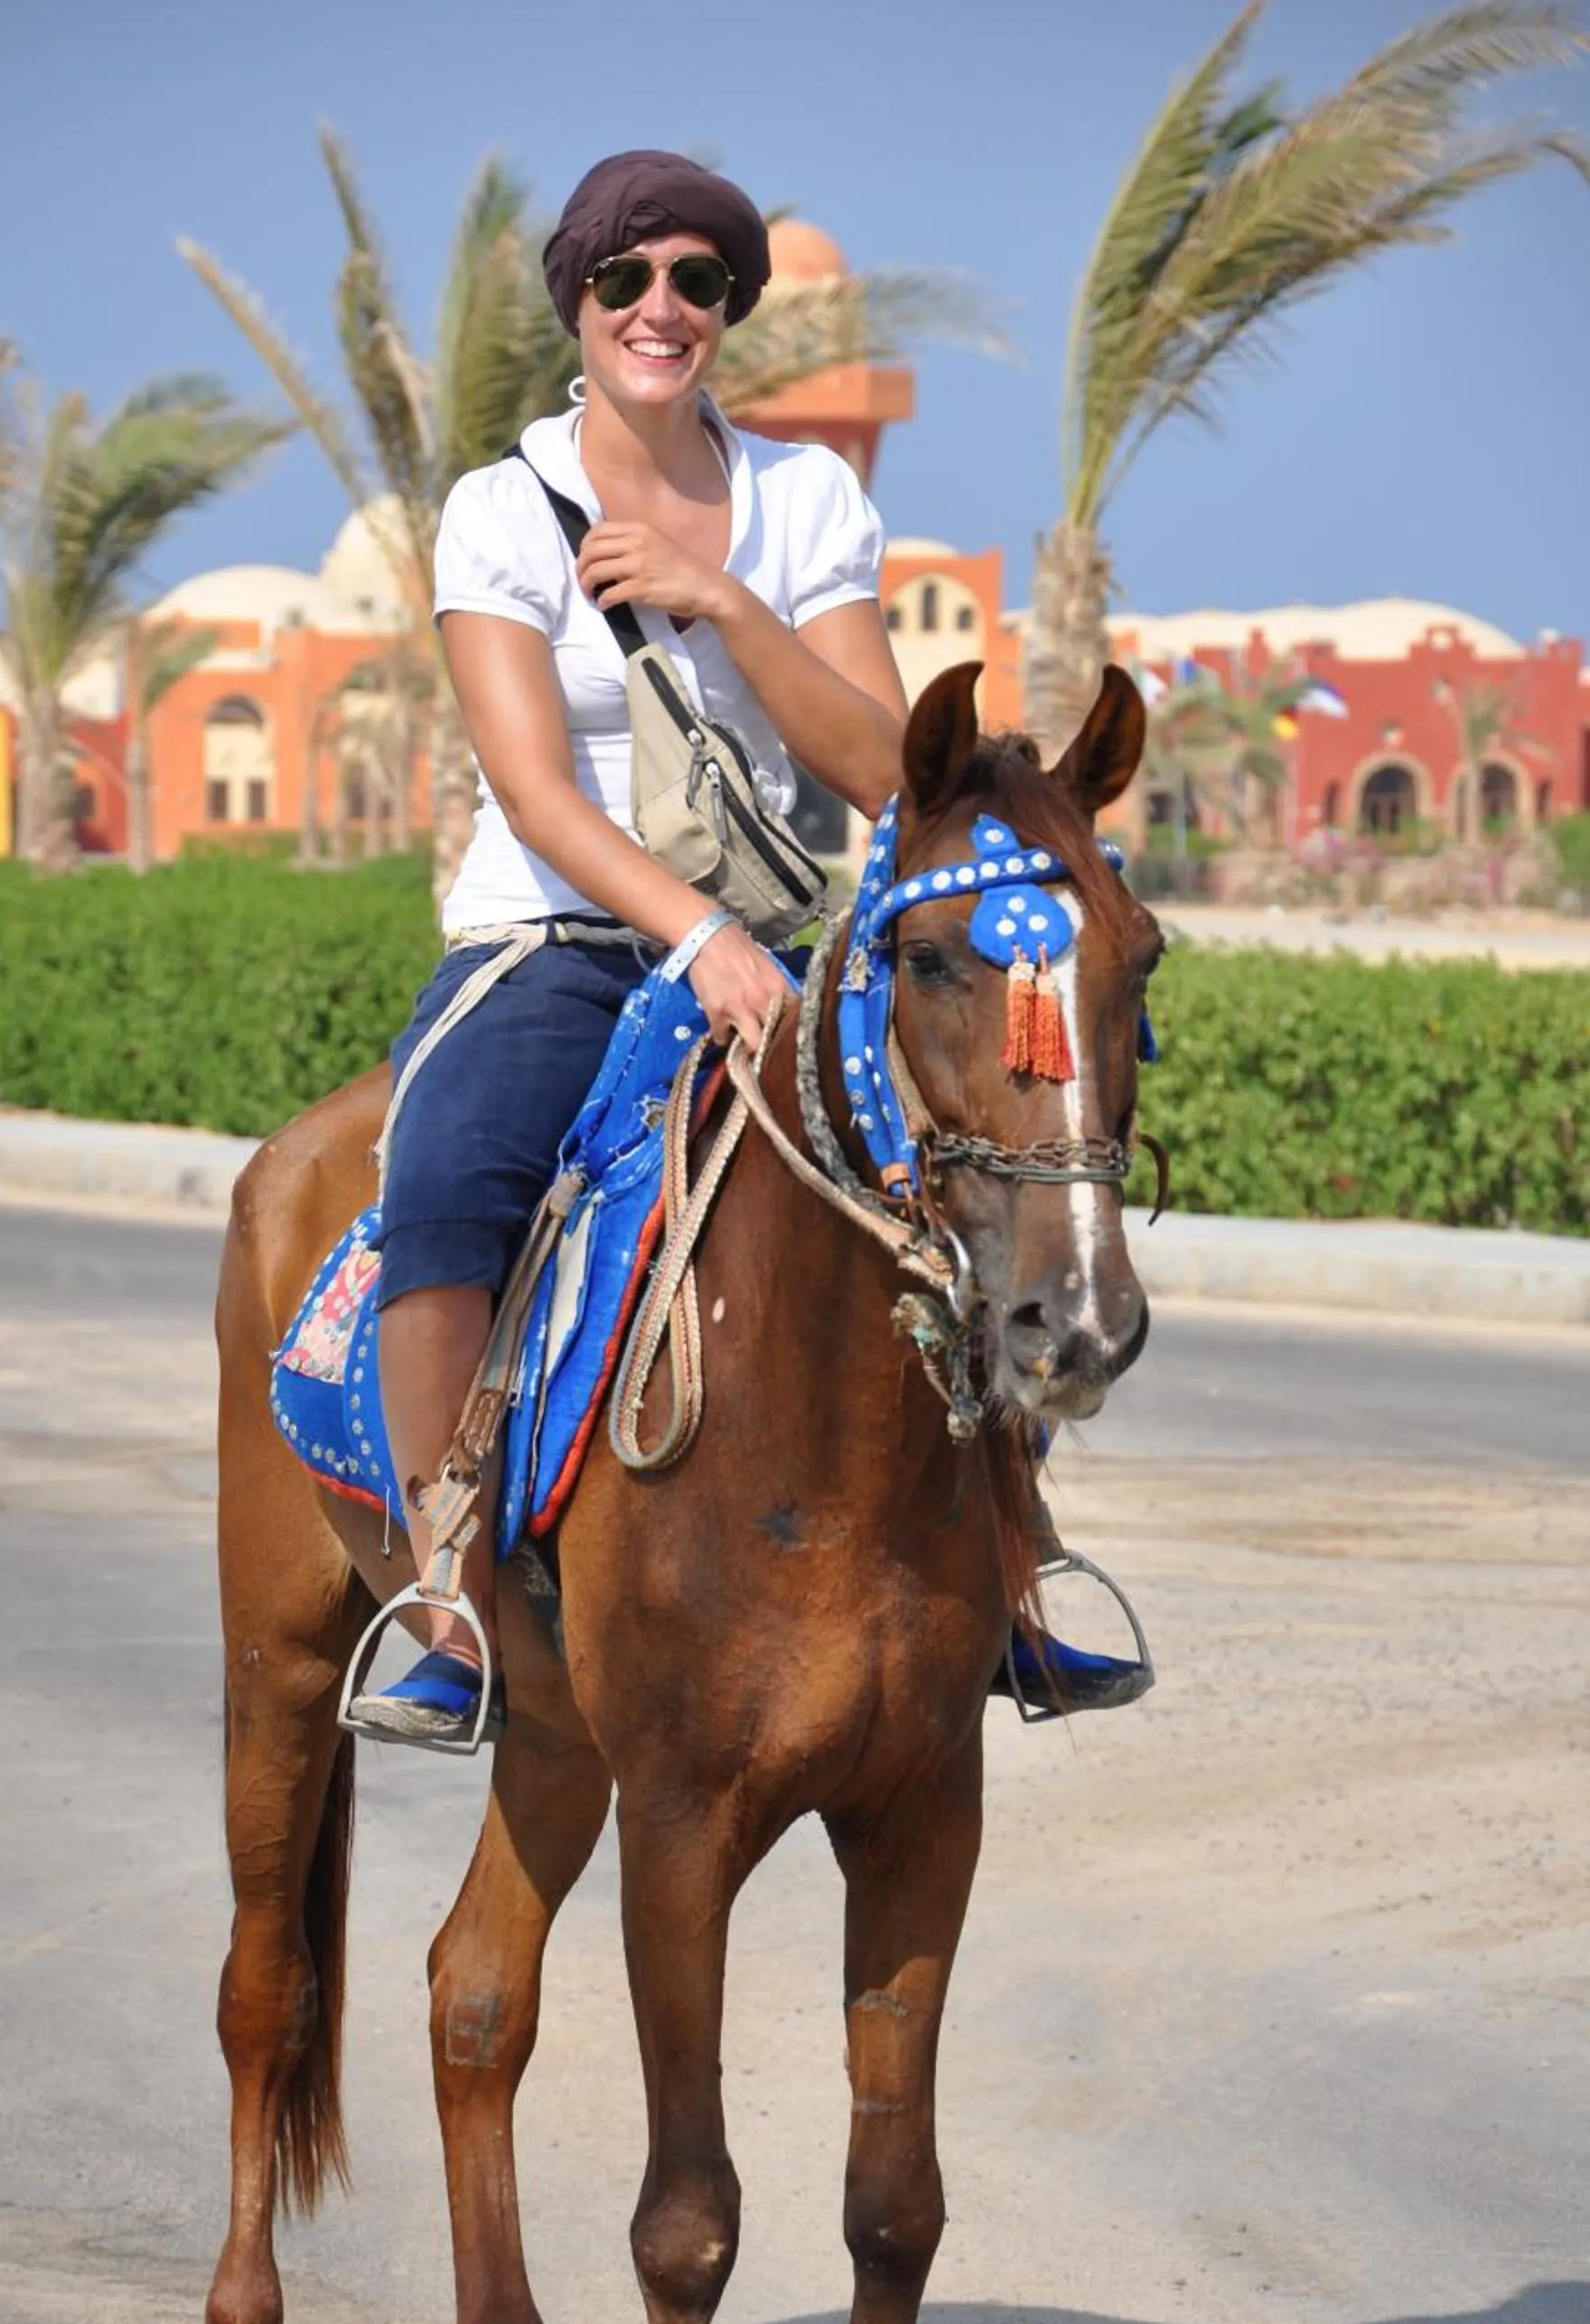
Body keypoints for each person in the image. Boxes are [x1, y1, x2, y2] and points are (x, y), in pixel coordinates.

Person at [352, 150, 1149, 1748]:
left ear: (728, 311)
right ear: (576, 300)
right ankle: (446, 1593)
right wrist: (698, 935)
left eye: (699, 283)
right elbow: (530, 788)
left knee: (994, 1159)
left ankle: (1010, 1558)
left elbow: (876, 765)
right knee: (447, 1175)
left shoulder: (804, 500)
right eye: (627, 279)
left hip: (788, 941)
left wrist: (728, 601)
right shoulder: (501, 513)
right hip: (560, 935)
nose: (662, 309)